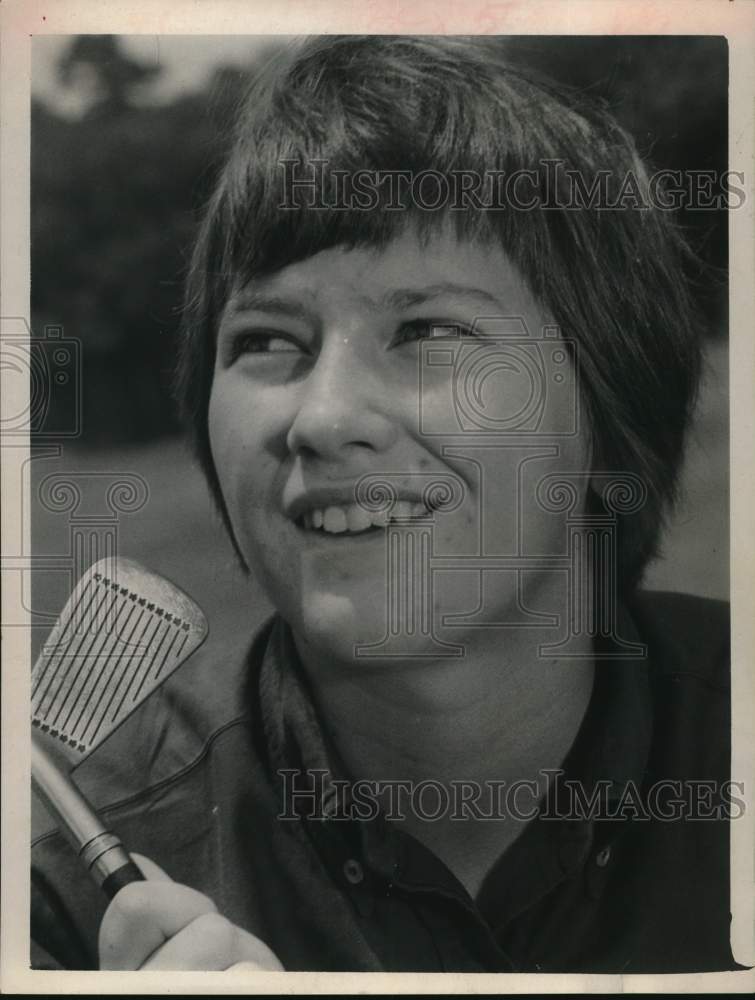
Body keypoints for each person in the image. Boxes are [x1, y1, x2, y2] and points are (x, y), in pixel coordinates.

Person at [31, 35, 737, 972]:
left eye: (427, 329)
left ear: (608, 405)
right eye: (267, 340)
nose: (323, 419)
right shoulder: (53, 879)